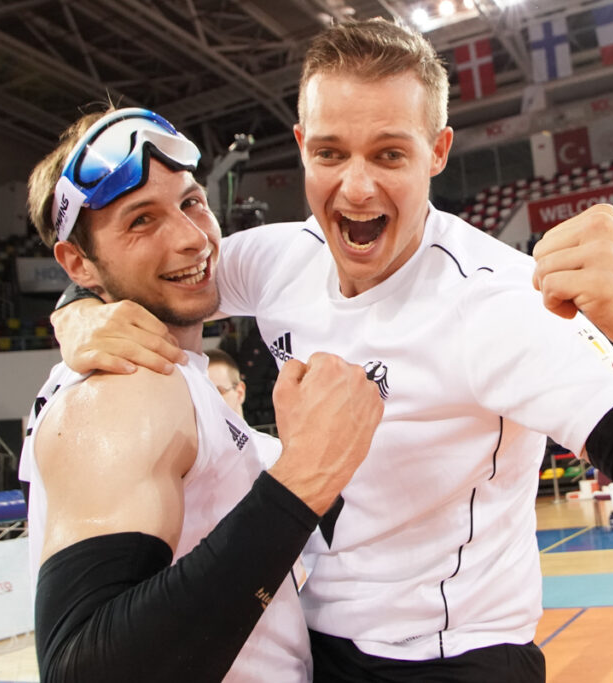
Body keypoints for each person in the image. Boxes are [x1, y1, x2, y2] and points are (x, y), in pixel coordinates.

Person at [51, 19, 613, 681]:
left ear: (438, 152)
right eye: (330, 152)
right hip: (317, 646)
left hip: (451, 658)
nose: (356, 187)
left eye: (389, 153)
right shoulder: (277, 260)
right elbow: (166, 275)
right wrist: (78, 310)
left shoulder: (498, 305)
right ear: (301, 145)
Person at [19, 107, 384, 682]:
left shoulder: (176, 378)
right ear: (78, 263)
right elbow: (82, 672)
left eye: (191, 203)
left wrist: (74, 307)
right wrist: (304, 479)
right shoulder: (130, 388)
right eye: (141, 220)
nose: (193, 239)